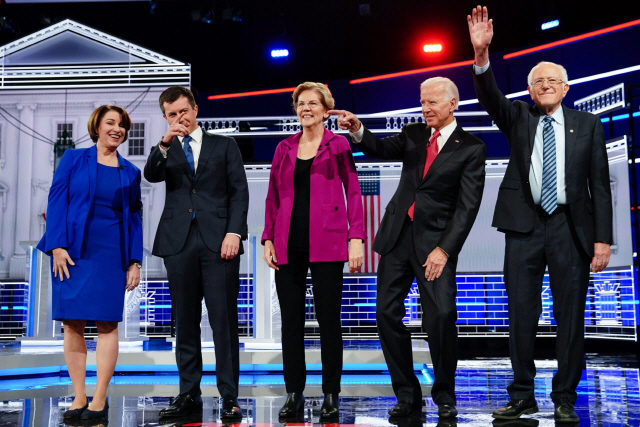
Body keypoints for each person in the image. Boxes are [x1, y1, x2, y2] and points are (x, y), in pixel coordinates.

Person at [468, 6, 613, 423]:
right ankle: (522, 396)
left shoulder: (588, 125)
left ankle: (564, 397)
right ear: (530, 91)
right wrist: (481, 56)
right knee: (521, 314)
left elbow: (599, 186)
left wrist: (602, 239)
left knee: (571, 315)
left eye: (552, 81)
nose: (545, 86)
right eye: (538, 82)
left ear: (565, 88)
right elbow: (491, 96)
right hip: (524, 226)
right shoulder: (518, 117)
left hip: (572, 229)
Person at [330, 77, 486, 419]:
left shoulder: (471, 148)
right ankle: (406, 393)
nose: (425, 108)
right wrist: (357, 129)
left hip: (435, 246)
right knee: (385, 313)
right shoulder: (415, 133)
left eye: (432, 102)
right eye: (422, 101)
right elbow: (380, 149)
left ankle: (445, 393)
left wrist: (444, 250)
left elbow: (467, 208)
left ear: (452, 104)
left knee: (442, 316)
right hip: (398, 238)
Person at [262, 82, 366, 421]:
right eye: (300, 103)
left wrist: (356, 238)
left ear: (325, 109)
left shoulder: (338, 145)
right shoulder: (284, 148)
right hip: (287, 244)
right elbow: (273, 198)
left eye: (312, 103)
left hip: (329, 242)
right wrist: (267, 239)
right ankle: (293, 394)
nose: (306, 108)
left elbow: (353, 189)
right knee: (290, 324)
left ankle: (330, 395)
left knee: (328, 323)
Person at [144, 86, 249, 420]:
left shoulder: (224, 144)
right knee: (185, 323)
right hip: (179, 244)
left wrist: (234, 232)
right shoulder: (166, 149)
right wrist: (163, 143)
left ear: (195, 110)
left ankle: (229, 397)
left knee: (223, 322)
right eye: (172, 114)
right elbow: (151, 174)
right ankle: (188, 394)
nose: (180, 119)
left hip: (220, 242)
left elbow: (239, 192)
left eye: (183, 112)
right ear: (165, 117)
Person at [37, 105, 143, 421]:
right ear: (96, 126)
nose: (117, 128)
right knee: (72, 323)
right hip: (73, 250)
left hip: (112, 252)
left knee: (108, 323)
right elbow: (56, 200)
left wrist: (135, 260)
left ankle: (99, 399)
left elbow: (135, 217)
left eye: (122, 124)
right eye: (111, 122)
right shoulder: (72, 158)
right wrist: (56, 244)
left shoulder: (131, 171)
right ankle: (79, 396)